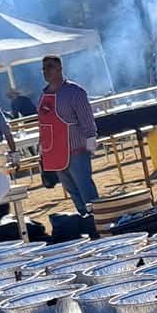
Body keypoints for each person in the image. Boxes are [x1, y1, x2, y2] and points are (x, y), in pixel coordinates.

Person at [38, 54, 101, 213]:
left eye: (50, 67)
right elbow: (43, 124)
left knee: (86, 190)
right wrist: (42, 149)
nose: (46, 71)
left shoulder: (75, 92)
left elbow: (86, 119)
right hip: (55, 152)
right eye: (44, 68)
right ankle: (85, 222)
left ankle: (99, 221)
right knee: (72, 191)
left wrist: (91, 140)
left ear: (60, 68)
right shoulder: (43, 96)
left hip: (75, 149)